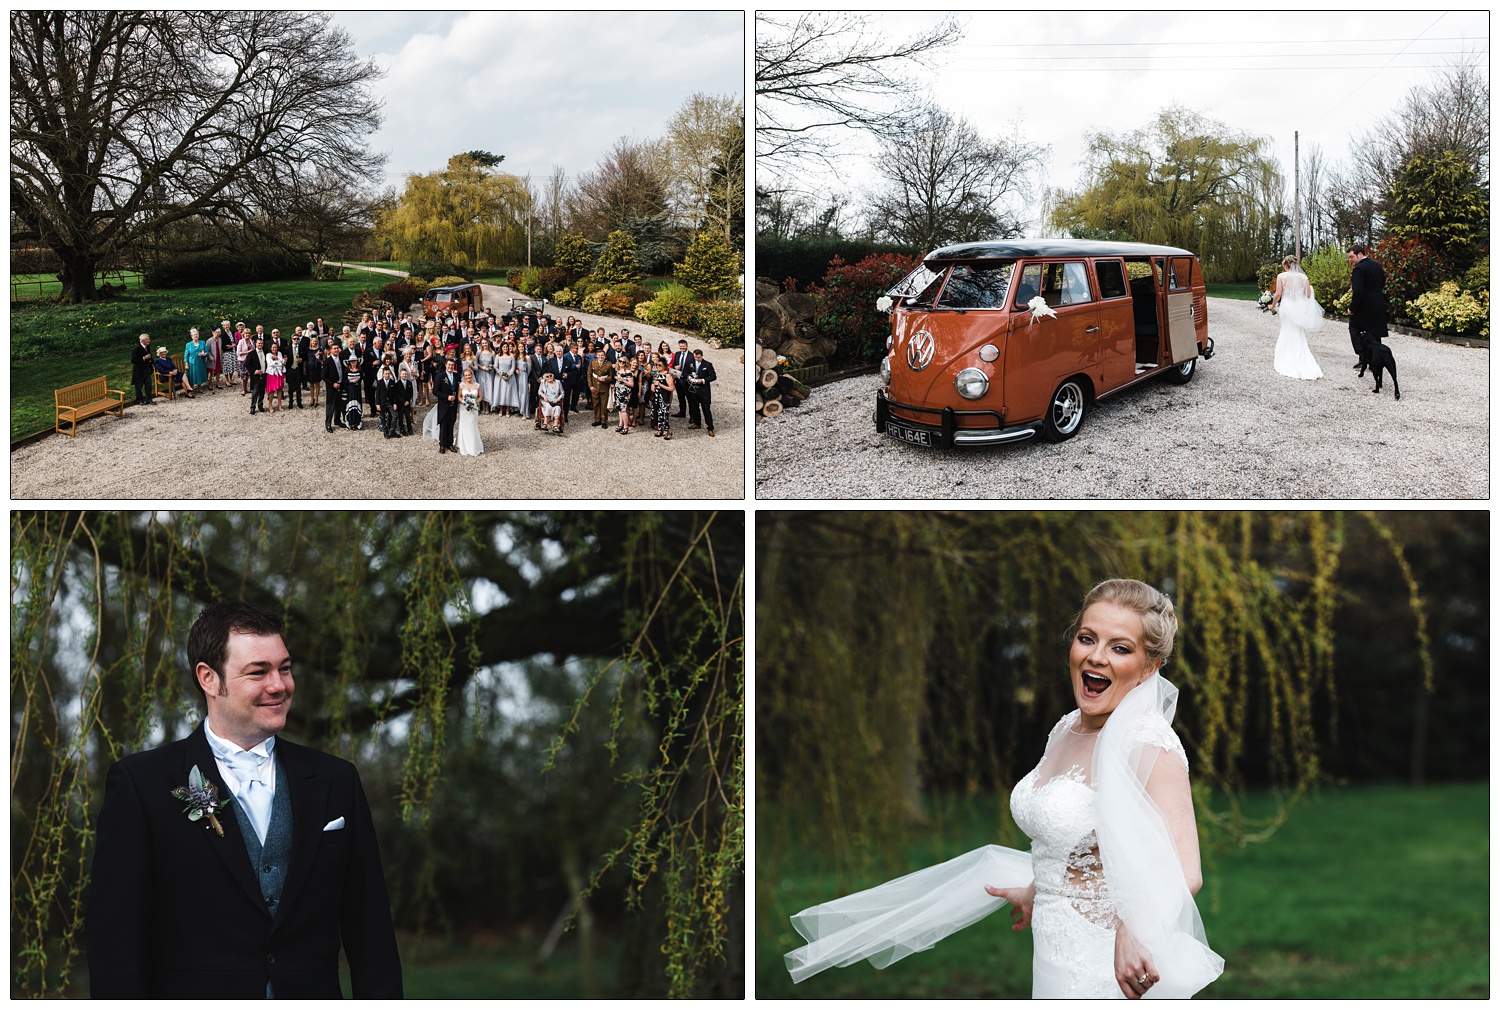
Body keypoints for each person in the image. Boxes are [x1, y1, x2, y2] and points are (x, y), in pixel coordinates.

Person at [784, 579, 1222, 999]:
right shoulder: (1066, 728)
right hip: (1055, 947)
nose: (1097, 657)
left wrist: (1132, 929)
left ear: (1149, 668)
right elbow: (1083, 845)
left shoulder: (1148, 743)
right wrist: (1041, 886)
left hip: (1108, 961)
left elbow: (1186, 871)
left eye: (1120, 648)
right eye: (1088, 638)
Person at [85, 601, 402, 998]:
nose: (279, 685)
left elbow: (370, 931)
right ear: (209, 678)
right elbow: (115, 943)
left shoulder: (336, 780)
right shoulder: (141, 785)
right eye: (258, 672)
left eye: (284, 668)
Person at [1269, 255, 1324, 380]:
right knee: (1298, 332)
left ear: (1285, 266)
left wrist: (1272, 305)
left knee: (1286, 331)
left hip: (1287, 307)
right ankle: (1302, 358)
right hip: (1299, 307)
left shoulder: (1282, 276)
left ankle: (1286, 358)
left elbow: (1278, 294)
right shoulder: (1304, 278)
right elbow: (1308, 295)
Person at [1346, 244, 1387, 365]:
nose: (1350, 260)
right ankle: (1376, 359)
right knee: (1373, 332)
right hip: (1377, 303)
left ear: (1360, 254)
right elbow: (1382, 282)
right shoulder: (1377, 265)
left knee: (1354, 329)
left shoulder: (1359, 269)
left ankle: (1363, 357)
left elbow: (1358, 291)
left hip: (1363, 305)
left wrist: (1352, 308)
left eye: (1351, 257)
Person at [684, 349, 716, 436]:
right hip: (693, 389)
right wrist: (689, 377)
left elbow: (713, 376)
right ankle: (697, 423)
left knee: (706, 408)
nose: (697, 359)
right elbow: (685, 372)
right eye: (696, 357)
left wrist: (702, 380)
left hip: (703, 390)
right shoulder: (690, 362)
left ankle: (710, 427)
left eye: (699, 357)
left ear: (702, 356)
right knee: (694, 407)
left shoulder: (707, 364)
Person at [432, 359, 460, 454]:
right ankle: (442, 444)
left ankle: (450, 443)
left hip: (453, 405)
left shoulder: (457, 376)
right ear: (446, 365)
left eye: (452, 365)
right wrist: (446, 397)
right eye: (449, 365)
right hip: (444, 404)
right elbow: (435, 391)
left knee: (451, 423)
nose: (450, 367)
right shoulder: (440, 376)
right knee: (443, 425)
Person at [456, 365, 485, 455]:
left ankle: (473, 445)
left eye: (469, 375)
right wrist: (464, 402)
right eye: (466, 375)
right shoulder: (461, 385)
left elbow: (480, 397)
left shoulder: (477, 386)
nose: (468, 377)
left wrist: (475, 402)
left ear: (472, 375)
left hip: (474, 408)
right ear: (464, 376)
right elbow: (459, 397)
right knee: (464, 425)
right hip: (464, 409)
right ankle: (463, 444)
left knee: (472, 426)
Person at [649, 353, 676, 439]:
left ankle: (668, 431)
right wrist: (653, 385)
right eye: (656, 365)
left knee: (664, 415)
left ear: (664, 365)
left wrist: (661, 385)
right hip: (656, 397)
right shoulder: (657, 374)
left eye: (659, 365)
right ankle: (660, 429)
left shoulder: (667, 375)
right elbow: (654, 383)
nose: (657, 366)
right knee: (657, 413)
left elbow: (671, 388)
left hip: (664, 398)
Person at [588, 345, 615, 427]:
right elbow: (589, 374)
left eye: (602, 355)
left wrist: (605, 380)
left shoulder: (609, 364)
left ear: (604, 356)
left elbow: (611, 376)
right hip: (595, 386)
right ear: (596, 356)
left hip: (604, 387)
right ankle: (597, 419)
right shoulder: (592, 362)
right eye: (599, 355)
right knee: (596, 404)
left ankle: (604, 421)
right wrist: (590, 386)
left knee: (604, 405)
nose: (600, 357)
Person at [131, 333, 156, 406]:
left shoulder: (147, 346)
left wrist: (153, 363)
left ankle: (149, 399)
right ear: (142, 340)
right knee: (139, 386)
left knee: (148, 385)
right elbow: (133, 360)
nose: (149, 340)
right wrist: (144, 358)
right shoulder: (137, 349)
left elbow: (150, 355)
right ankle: (139, 400)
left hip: (147, 370)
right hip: (139, 371)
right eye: (147, 339)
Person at [537, 370, 565, 435]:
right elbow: (539, 392)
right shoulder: (543, 383)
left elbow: (562, 393)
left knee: (558, 408)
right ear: (545, 378)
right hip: (547, 400)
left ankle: (555, 425)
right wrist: (544, 397)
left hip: (556, 400)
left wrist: (558, 399)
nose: (549, 377)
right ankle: (545, 424)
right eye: (547, 376)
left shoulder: (558, 382)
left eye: (550, 376)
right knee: (547, 406)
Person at [670, 340, 693, 417]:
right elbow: (673, 366)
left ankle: (692, 415)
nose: (682, 347)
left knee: (689, 398)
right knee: (680, 397)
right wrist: (675, 368)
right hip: (678, 379)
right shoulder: (677, 354)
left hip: (687, 380)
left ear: (686, 346)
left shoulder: (691, 355)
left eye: (683, 346)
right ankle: (682, 412)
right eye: (680, 346)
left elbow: (693, 369)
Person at [183, 329, 209, 393]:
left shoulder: (202, 342)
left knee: (200, 374)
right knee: (192, 375)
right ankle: (191, 388)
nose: (196, 336)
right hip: (192, 362)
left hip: (201, 362)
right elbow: (186, 355)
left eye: (197, 334)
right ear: (192, 336)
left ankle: (199, 388)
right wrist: (186, 364)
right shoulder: (188, 344)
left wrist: (204, 354)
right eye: (194, 335)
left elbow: (207, 352)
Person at [265, 345, 286, 412]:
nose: (274, 349)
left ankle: (280, 404)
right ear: (270, 348)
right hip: (272, 374)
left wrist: (279, 361)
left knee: (279, 389)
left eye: (276, 347)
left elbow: (283, 361)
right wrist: (279, 363)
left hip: (279, 373)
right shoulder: (268, 355)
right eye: (273, 347)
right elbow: (271, 363)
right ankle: (270, 404)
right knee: (272, 390)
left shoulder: (279, 353)